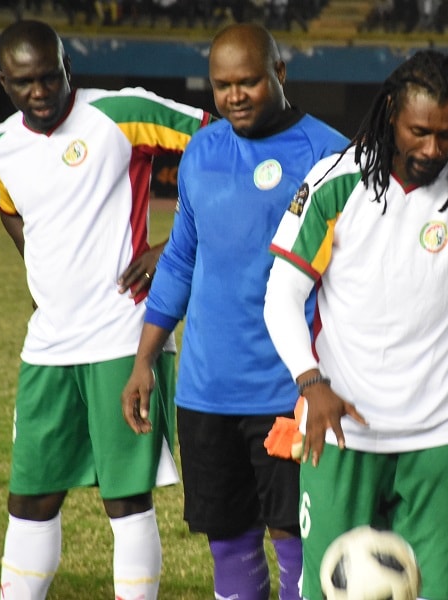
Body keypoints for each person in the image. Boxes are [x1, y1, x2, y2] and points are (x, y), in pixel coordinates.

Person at [263, 49, 448, 600]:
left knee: (436, 592)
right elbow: (281, 296)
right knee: (328, 591)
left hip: (437, 435)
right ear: (390, 112)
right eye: (420, 131)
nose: (433, 149)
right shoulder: (336, 182)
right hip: (340, 433)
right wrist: (311, 384)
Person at [0, 19, 211, 600]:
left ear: (68, 68)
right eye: (24, 82)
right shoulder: (0, 145)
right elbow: (11, 209)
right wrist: (40, 268)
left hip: (123, 337)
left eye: (49, 76)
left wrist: (175, 247)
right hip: (48, 346)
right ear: (3, 81)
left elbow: (221, 143)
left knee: (125, 499)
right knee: (29, 497)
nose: (40, 91)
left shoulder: (120, 112)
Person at [121, 23, 347, 600]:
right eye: (222, 85)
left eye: (248, 81)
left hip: (289, 388)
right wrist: (145, 359)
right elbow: (179, 259)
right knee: (227, 539)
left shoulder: (329, 153)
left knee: (297, 536)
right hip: (206, 389)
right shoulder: (203, 149)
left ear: (280, 74)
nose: (234, 96)